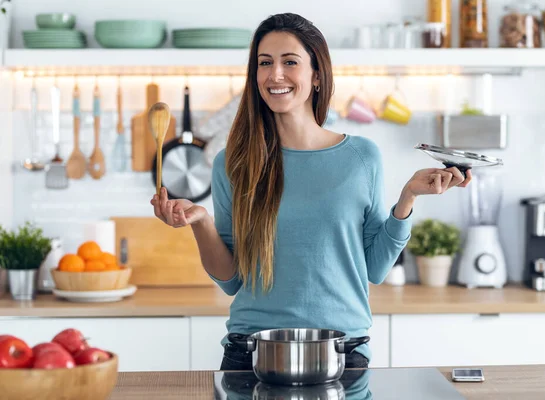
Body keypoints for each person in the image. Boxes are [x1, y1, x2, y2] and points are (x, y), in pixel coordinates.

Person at [151, 12, 472, 371]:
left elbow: (377, 267)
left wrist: (408, 198)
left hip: (341, 351)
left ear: (316, 75)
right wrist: (201, 222)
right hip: (252, 352)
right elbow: (230, 279)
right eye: (265, 63)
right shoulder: (234, 162)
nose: (275, 75)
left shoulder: (361, 157)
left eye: (290, 62)